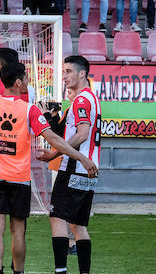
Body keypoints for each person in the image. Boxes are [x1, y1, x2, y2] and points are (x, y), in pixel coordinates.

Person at [0, 61, 98, 274]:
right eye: (26, 78)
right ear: (18, 83)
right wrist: (81, 157)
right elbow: (54, 139)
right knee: (18, 231)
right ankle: (19, 272)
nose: (28, 81)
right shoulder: (29, 110)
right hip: (19, 178)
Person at [41, 56, 101, 274]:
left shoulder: (82, 100)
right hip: (88, 170)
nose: (64, 76)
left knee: (57, 218)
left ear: (82, 73)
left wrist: (55, 153)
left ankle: (60, 271)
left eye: (68, 71)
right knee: (78, 225)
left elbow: (83, 133)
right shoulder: (91, 98)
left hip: (74, 167)